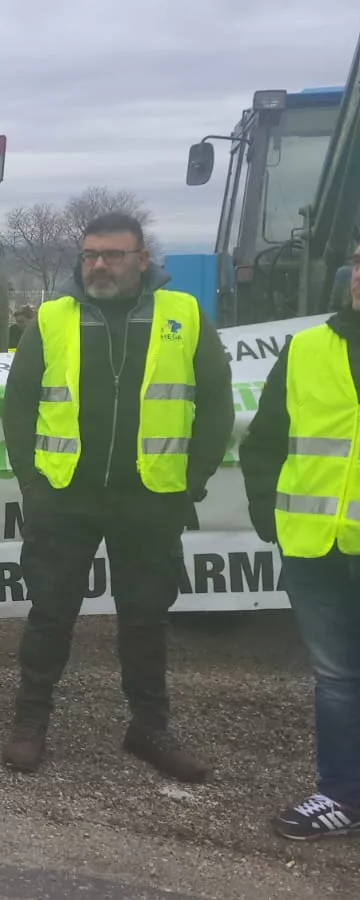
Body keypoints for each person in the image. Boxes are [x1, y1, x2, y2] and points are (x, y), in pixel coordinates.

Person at [0, 212, 233, 782]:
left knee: (146, 620)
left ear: (142, 259)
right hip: (65, 496)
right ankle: (31, 723)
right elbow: (18, 407)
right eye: (90, 255)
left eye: (113, 254)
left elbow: (217, 406)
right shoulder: (53, 318)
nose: (99, 265)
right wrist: (33, 484)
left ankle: (149, 729)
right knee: (50, 615)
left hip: (151, 499)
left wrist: (190, 484)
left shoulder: (184, 315)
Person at [239, 243, 360, 840]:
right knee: (336, 676)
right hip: (315, 545)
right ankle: (340, 794)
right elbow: (265, 441)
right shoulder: (308, 348)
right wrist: (271, 517)